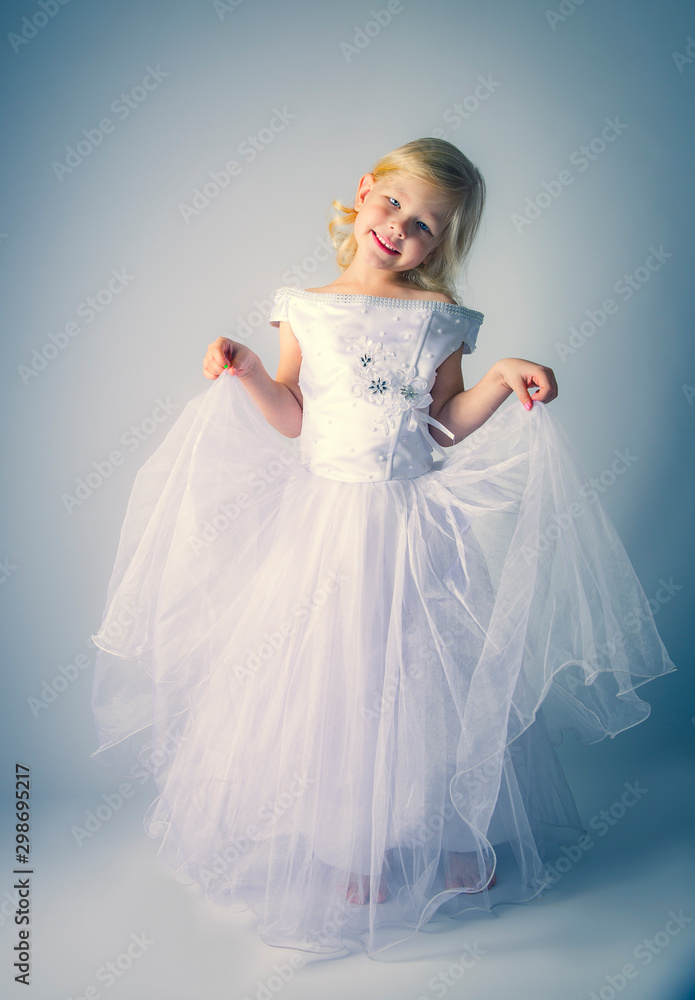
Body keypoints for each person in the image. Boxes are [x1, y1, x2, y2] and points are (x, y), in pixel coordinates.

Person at [90, 138, 676, 959]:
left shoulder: (439, 318)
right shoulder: (305, 306)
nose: (400, 228)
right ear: (364, 191)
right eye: (394, 204)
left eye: (426, 225)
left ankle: (447, 832)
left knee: (425, 673)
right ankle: (347, 845)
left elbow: (440, 427)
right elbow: (294, 417)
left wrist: (499, 378)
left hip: (414, 524)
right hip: (327, 525)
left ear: (442, 243)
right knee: (338, 674)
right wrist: (250, 370)